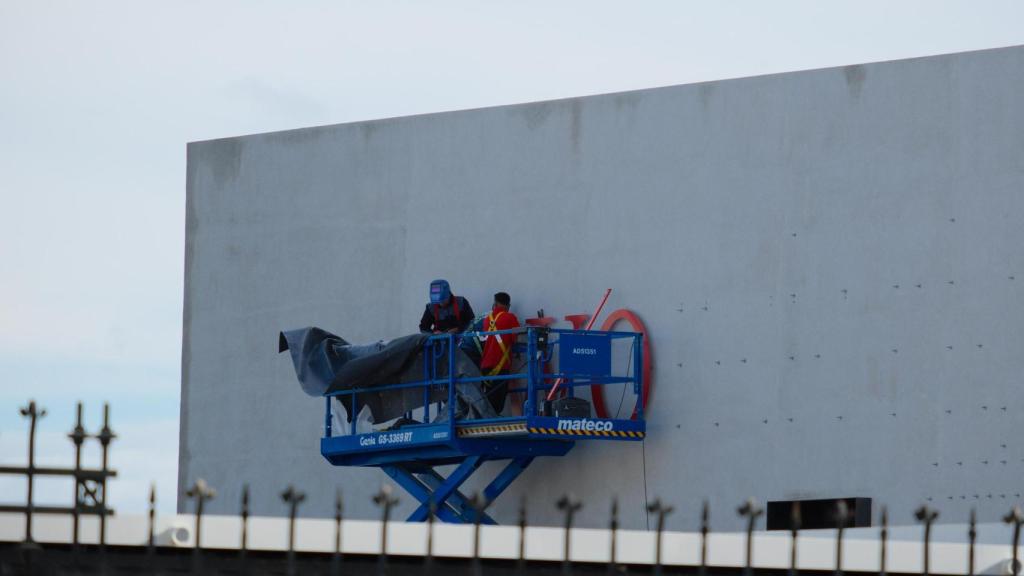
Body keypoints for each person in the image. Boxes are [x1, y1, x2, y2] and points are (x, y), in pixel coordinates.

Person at [479, 292, 520, 414]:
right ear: (508, 305)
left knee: (489, 398)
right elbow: (515, 339)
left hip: (485, 366)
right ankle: (491, 423)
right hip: (500, 366)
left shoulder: (487, 320)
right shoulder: (510, 317)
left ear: (495, 304)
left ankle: (486, 420)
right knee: (498, 401)